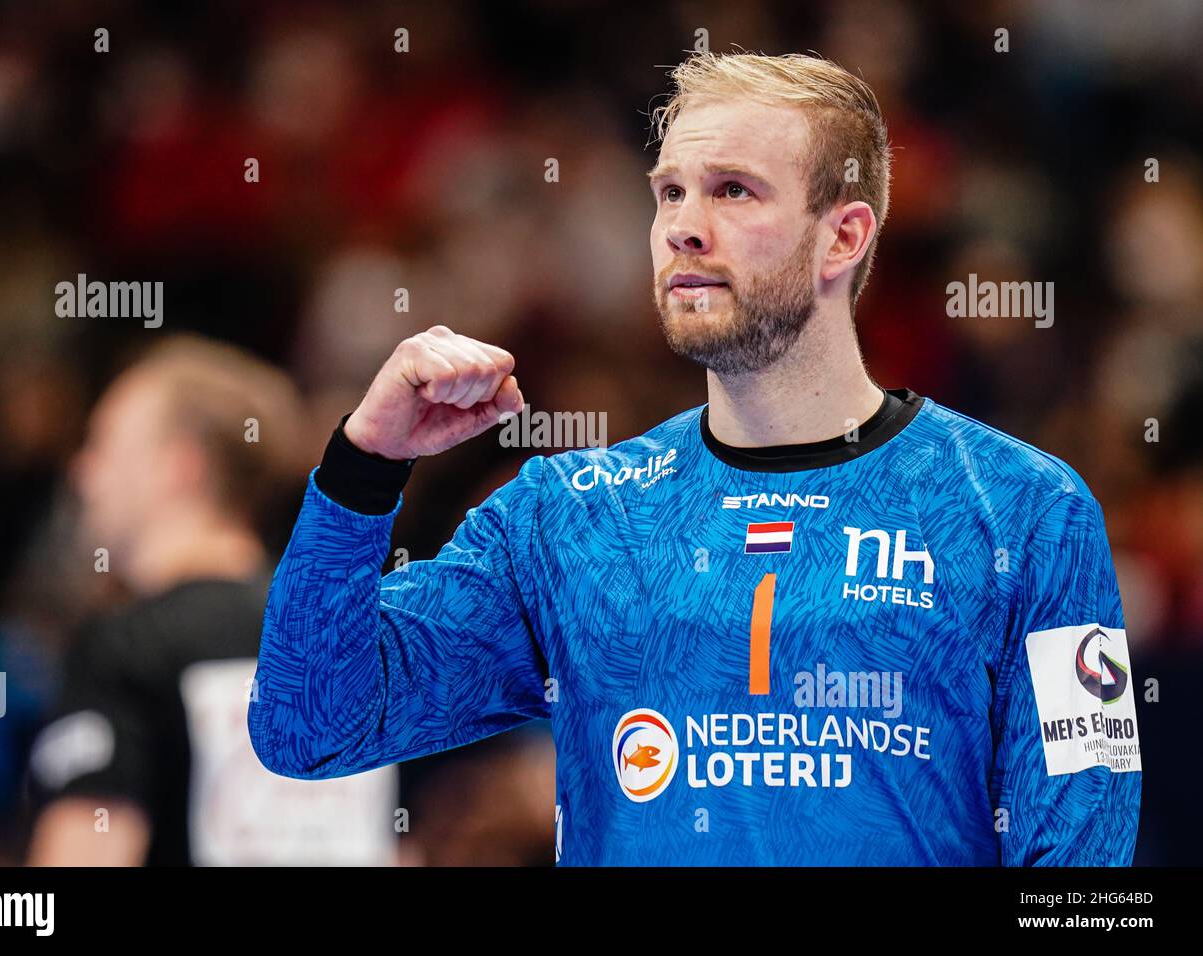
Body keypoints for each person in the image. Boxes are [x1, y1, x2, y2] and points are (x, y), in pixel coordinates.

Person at [249, 52, 1142, 865]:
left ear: (844, 235)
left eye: (733, 191)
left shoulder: (1025, 511)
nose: (682, 225)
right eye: (668, 191)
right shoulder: (569, 515)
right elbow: (309, 724)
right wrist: (363, 468)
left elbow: (1086, 878)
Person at [28, 336, 395, 866]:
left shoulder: (126, 647)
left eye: (102, 444)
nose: (82, 472)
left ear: (179, 467)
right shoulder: (346, 634)